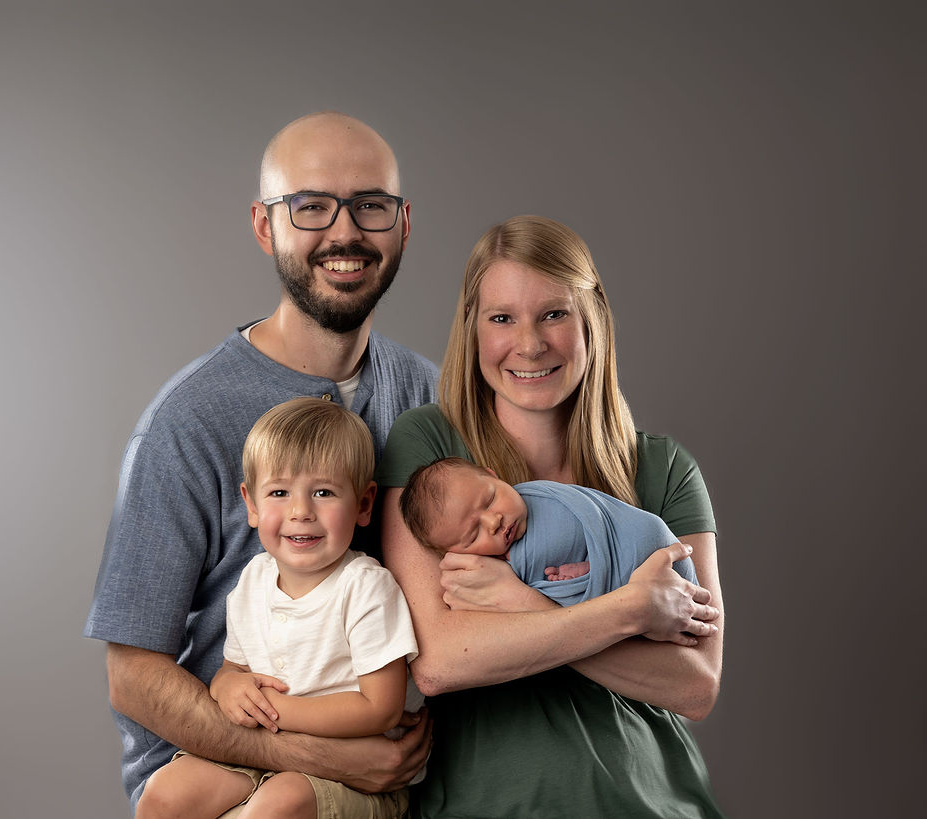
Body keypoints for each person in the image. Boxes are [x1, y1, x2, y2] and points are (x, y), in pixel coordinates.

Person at [84, 112, 437, 812]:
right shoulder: (187, 421)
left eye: (370, 205)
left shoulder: (431, 396)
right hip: (221, 767)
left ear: (402, 223)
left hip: (387, 773)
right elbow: (131, 674)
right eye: (310, 206)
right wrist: (302, 751)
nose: (344, 232)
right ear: (264, 225)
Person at [377, 214, 726, 817]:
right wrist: (629, 611)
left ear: (593, 322)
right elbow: (441, 661)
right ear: (473, 330)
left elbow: (694, 684)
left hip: (653, 803)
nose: (531, 343)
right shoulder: (430, 448)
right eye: (502, 318)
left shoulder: (665, 470)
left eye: (555, 314)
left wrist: (518, 604)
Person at [137, 398, 423, 819]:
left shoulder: (365, 587)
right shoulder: (254, 579)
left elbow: (380, 708)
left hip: (354, 772)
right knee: (164, 794)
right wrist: (226, 687)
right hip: (264, 753)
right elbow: (235, 668)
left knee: (279, 805)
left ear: (363, 504)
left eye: (323, 492)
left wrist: (275, 713)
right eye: (279, 492)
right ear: (251, 504)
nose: (300, 512)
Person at [399, 456, 698, 605]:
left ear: (493, 475)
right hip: (638, 584)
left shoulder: (539, 495)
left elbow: (597, 513)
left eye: (490, 499)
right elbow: (558, 620)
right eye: (473, 535)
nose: (494, 522)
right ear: (456, 554)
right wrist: (586, 574)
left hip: (648, 541)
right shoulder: (497, 572)